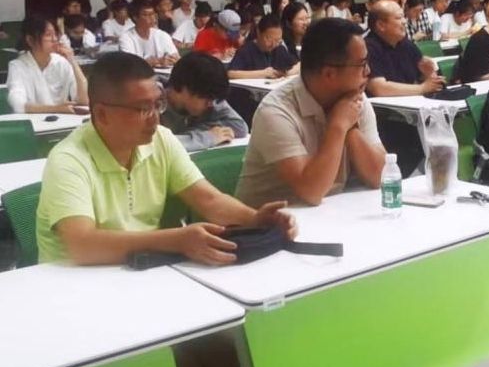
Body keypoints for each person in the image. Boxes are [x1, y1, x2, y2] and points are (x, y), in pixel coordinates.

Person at [34, 51, 295, 266]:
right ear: (102, 114)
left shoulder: (161, 139)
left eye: (157, 104)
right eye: (142, 109)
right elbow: (82, 245)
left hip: (141, 269)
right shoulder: (68, 160)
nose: (155, 118)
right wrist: (176, 240)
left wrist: (255, 219)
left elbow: (209, 200)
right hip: (75, 285)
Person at [235, 18, 387, 207]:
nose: (368, 71)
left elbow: (382, 176)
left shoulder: (354, 99)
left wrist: (351, 127)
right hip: (271, 220)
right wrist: (338, 126)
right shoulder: (275, 111)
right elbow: (312, 192)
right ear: (329, 74)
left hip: (328, 214)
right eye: (362, 64)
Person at [365, 0, 444, 176]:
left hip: (411, 111)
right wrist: (422, 88)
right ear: (380, 25)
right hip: (385, 118)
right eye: (399, 18)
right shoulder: (369, 47)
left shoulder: (405, 44)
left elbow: (423, 75)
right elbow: (379, 88)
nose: (404, 22)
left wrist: (429, 74)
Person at [161, 53, 248, 152]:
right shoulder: (152, 101)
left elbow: (239, 127)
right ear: (184, 89)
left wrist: (192, 137)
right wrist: (207, 137)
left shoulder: (209, 99)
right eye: (207, 99)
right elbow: (155, 146)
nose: (211, 104)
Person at [6, 16, 89, 114]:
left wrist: (72, 61)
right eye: (48, 35)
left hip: (62, 120)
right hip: (32, 121)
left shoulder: (62, 62)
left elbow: (84, 101)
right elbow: (18, 105)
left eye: (55, 34)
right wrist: (57, 109)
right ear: (30, 40)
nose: (54, 39)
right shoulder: (17, 66)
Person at [228, 14, 300, 79]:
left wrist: (287, 73)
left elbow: (299, 65)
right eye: (269, 39)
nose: (273, 44)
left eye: (277, 40)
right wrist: (263, 73)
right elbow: (231, 73)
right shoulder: (246, 51)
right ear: (258, 32)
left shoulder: (279, 49)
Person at [119, 0, 179, 67]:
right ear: (135, 17)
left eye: (153, 14)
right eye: (146, 15)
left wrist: (171, 59)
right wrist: (157, 61)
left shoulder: (162, 35)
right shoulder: (126, 38)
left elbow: (175, 57)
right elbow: (129, 63)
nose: (152, 18)